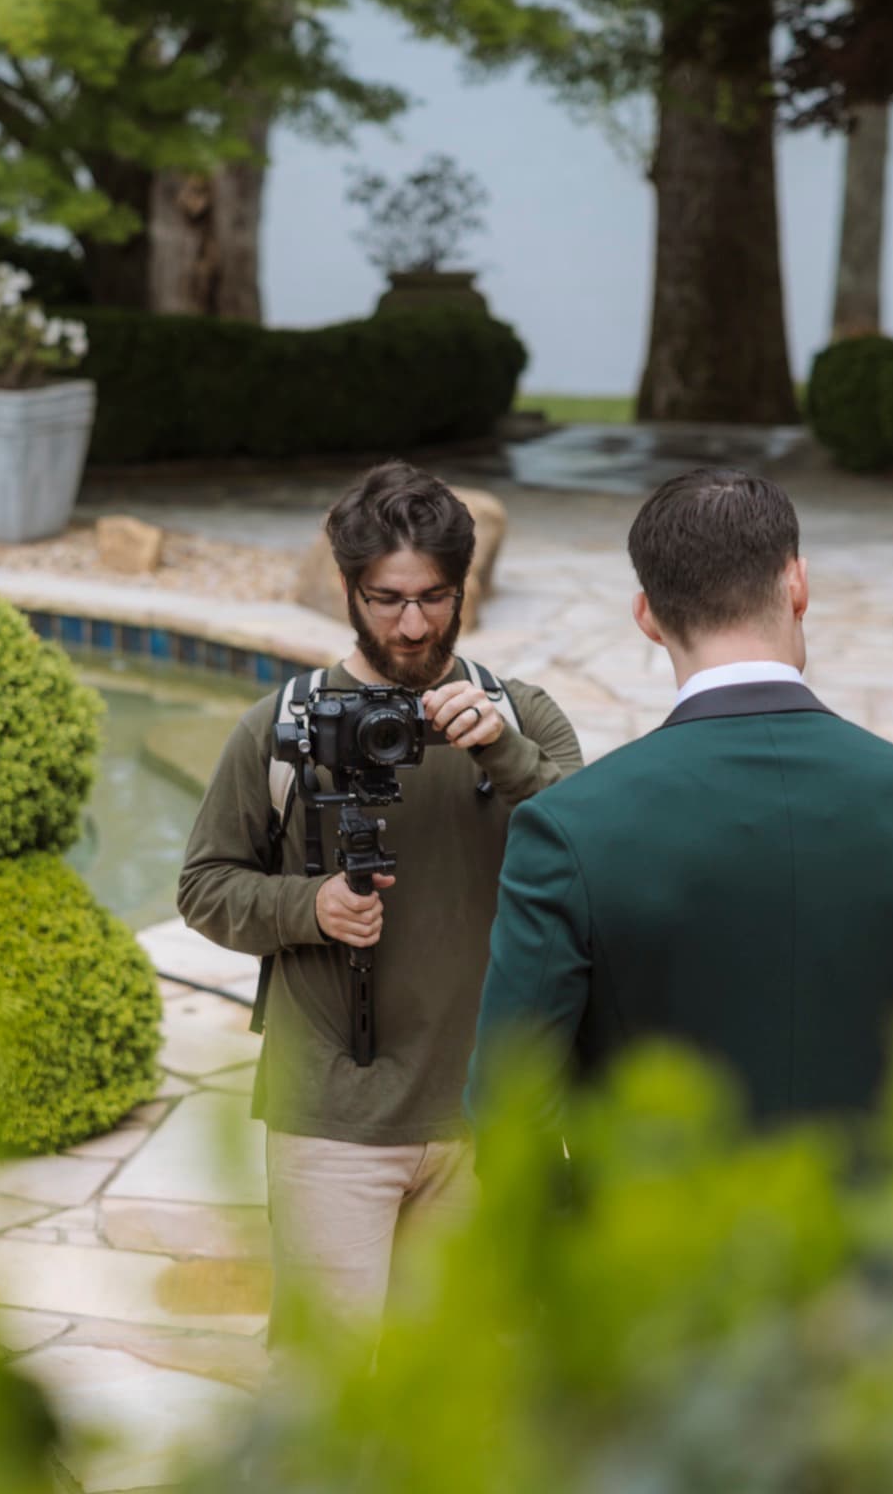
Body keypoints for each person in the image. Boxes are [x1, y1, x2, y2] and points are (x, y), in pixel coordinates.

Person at [468, 468, 893, 1171]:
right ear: (799, 585)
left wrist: (585, 1236)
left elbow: (509, 1109)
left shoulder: (568, 828)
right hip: (878, 1238)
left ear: (646, 616)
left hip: (647, 1238)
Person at [177, 462, 583, 1363]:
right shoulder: (280, 727)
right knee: (323, 1389)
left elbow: (595, 859)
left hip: (486, 1112)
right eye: (387, 599)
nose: (412, 625)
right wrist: (309, 905)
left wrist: (506, 755)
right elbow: (203, 885)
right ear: (347, 588)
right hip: (330, 1114)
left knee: (459, 1390)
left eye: (434, 598)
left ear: (464, 587)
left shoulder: (522, 717)